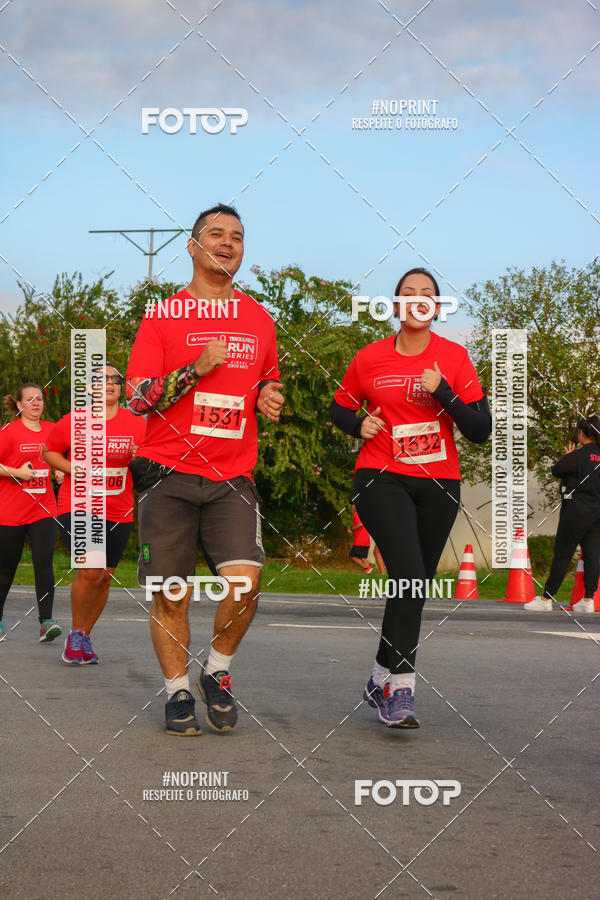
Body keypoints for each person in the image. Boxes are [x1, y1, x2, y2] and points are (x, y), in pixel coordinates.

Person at [125, 203, 284, 736]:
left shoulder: (260, 320)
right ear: (193, 247)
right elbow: (138, 398)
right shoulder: (163, 317)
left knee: (245, 584)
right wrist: (195, 369)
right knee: (172, 592)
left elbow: (266, 379)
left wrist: (268, 395)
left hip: (232, 477)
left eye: (237, 235)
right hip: (166, 472)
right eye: (216, 233)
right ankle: (176, 695)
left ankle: (217, 672)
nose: (228, 241)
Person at [330, 267, 491, 728]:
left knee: (412, 587)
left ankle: (378, 677)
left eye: (427, 295)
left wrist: (442, 392)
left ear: (437, 308)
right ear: (396, 306)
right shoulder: (370, 358)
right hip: (381, 475)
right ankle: (401, 690)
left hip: (440, 483)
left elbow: (479, 431)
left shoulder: (455, 358)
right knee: (410, 575)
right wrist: (356, 424)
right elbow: (338, 407)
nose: (417, 300)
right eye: (408, 294)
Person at [43, 365, 146, 663]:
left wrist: (141, 456)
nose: (110, 383)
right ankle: (75, 634)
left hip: (119, 507)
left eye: (116, 380)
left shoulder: (136, 423)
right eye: (102, 379)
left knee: (104, 576)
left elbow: (150, 457)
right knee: (90, 569)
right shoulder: (74, 421)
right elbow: (49, 451)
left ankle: (85, 636)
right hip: (79, 503)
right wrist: (72, 468)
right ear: (90, 389)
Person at [0, 384, 63, 643]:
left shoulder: (52, 430)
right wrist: (18, 473)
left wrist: (60, 470)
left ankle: (46, 622)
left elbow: (62, 456)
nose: (36, 403)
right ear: (19, 405)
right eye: (30, 399)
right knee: (6, 567)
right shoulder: (9, 432)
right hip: (10, 510)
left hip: (44, 508)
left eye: (40, 398)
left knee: (44, 562)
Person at [525, 415, 600, 613]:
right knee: (593, 554)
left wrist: (568, 456)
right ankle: (588, 599)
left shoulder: (578, 456)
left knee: (563, 553)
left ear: (583, 433)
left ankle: (546, 598)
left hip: (576, 511)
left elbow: (556, 470)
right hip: (596, 513)